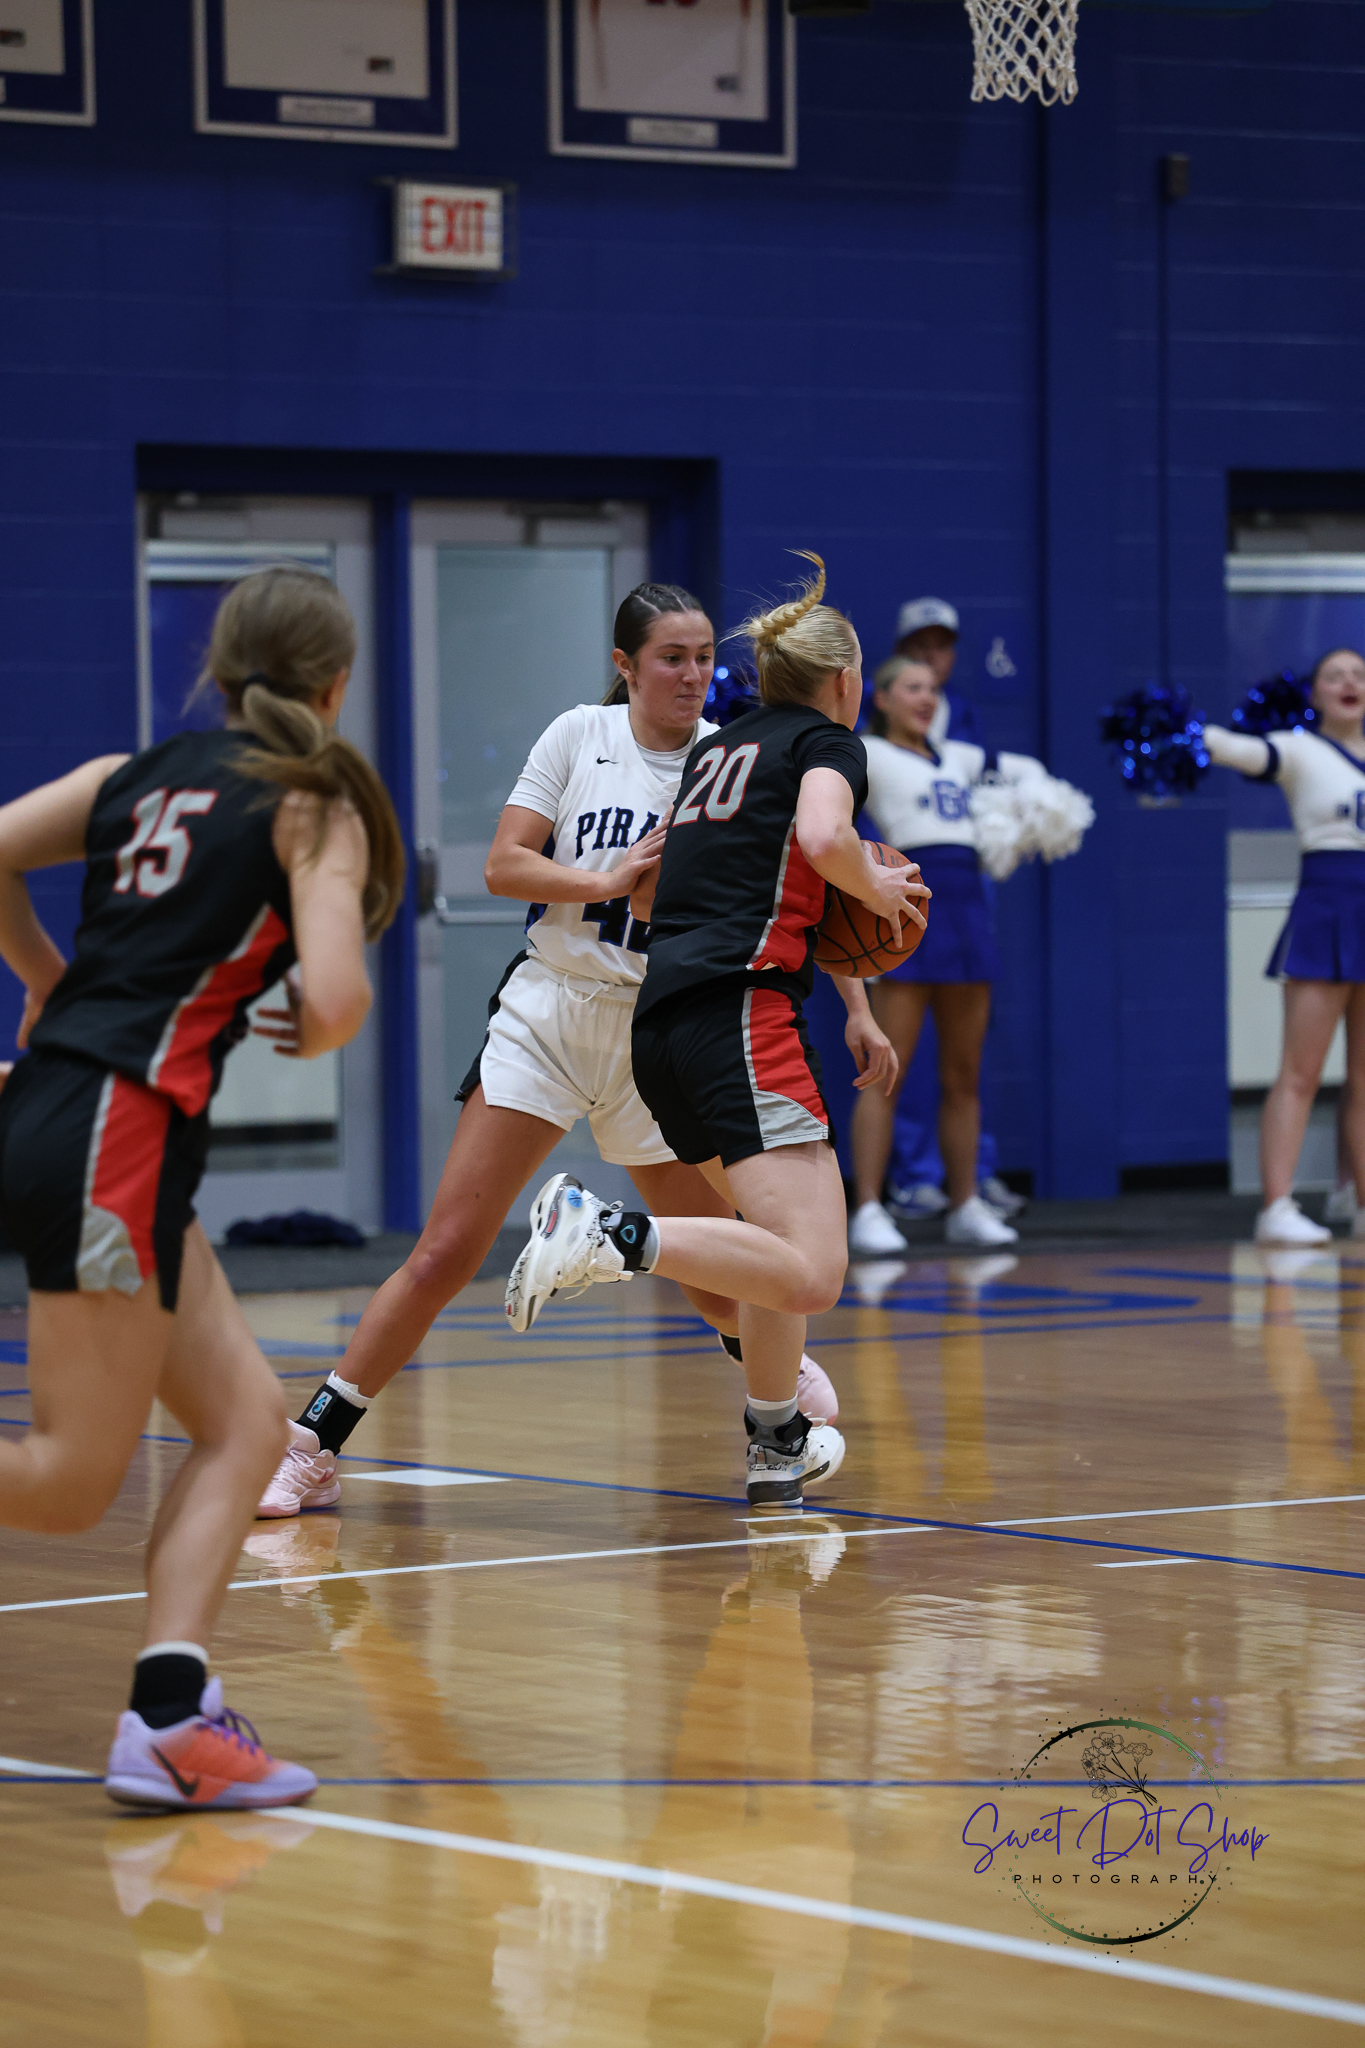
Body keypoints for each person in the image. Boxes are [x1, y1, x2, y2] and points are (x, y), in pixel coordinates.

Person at [257, 583, 887, 1516]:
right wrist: (611, 878)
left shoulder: (731, 751)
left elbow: (798, 894)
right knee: (446, 1250)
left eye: (704, 656)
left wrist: (857, 1004)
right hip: (550, 1010)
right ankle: (312, 1445)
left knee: (730, 1268)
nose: (692, 674)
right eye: (671, 657)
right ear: (625, 665)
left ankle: (774, 1410)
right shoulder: (578, 735)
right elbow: (502, 864)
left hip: (655, 1019)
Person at [0, 565, 401, 1807]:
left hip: (67, 1105)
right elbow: (336, 996)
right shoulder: (312, 803)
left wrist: (47, 978)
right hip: (117, 1128)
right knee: (68, 1480)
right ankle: (169, 1727)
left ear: (219, 672)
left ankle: (171, 1718)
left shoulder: (126, 775)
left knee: (245, 1425)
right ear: (337, 684)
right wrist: (316, 1021)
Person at [503, 554, 924, 1510]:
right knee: (813, 1270)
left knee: (767, 1245)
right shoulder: (827, 744)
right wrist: (873, 885)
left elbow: (675, 894)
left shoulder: (715, 752)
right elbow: (824, 841)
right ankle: (608, 1232)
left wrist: (843, 977)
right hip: (743, 1014)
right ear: (845, 681)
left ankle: (777, 1440)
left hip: (663, 1026)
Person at [847, 656, 1042, 1254]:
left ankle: (965, 1204)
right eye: (912, 688)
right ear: (882, 698)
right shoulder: (867, 753)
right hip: (907, 908)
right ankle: (869, 1208)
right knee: (886, 1072)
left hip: (967, 912)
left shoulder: (958, 755)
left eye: (932, 689)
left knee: (964, 1076)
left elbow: (1026, 770)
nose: (926, 698)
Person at [1204, 646, 1365, 1245]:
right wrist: (1189, 733)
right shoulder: (1299, 749)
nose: (1349, 683)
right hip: (1326, 910)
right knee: (1300, 1071)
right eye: (1334, 675)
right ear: (1315, 693)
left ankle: (1361, 1202)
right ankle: (1276, 1207)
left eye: (1359, 674)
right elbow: (1240, 750)